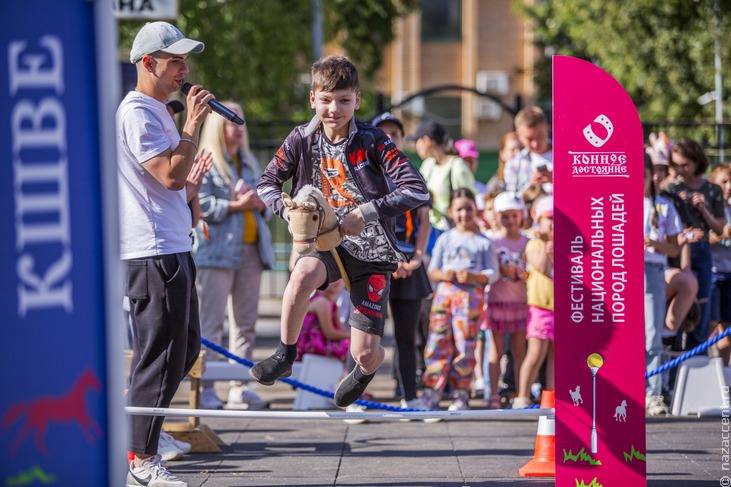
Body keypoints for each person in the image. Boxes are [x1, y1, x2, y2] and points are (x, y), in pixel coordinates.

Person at [251, 55, 430, 409]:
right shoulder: (300, 139)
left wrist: (366, 213)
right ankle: (285, 354)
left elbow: (417, 190)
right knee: (302, 272)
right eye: (327, 99)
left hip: (373, 254)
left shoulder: (374, 140)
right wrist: (286, 211)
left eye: (344, 100)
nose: (335, 109)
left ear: (357, 101)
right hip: (327, 243)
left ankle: (365, 372)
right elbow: (266, 183)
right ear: (313, 99)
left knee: (363, 351)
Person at [118, 21, 209, 487]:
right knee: (161, 355)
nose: (184, 70)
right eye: (175, 61)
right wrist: (192, 124)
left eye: (184, 61)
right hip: (154, 254)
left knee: (182, 349)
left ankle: (140, 441)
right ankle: (141, 456)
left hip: (171, 246)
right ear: (148, 63)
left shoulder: (153, 110)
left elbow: (173, 185)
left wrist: (191, 183)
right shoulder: (137, 111)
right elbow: (168, 175)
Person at [193, 102, 275, 410]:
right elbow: (200, 208)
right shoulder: (207, 161)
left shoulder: (250, 162)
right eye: (231, 121)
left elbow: (265, 209)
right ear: (217, 126)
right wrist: (236, 205)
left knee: (246, 323)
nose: (238, 127)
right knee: (211, 324)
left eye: (241, 121)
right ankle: (206, 389)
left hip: (251, 250)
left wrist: (260, 204)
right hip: (215, 253)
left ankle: (239, 387)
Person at [372, 112, 433, 409]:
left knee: (408, 337)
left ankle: (410, 396)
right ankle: (359, 397)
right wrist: (388, 258)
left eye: (395, 134)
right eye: (382, 133)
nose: (389, 139)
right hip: (373, 262)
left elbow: (425, 220)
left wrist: (418, 259)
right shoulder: (364, 173)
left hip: (409, 264)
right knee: (367, 333)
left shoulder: (411, 172)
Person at [420, 188, 498, 411]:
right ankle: (432, 391)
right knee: (437, 343)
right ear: (451, 212)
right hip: (444, 298)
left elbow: (493, 272)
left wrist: (475, 276)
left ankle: (460, 392)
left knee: (466, 346)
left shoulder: (484, 242)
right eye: (459, 209)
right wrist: (445, 274)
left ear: (476, 210)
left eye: (468, 208)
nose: (464, 214)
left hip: (470, 300)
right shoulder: (446, 239)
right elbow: (433, 270)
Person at [666, 138, 725, 350]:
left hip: (702, 251)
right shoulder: (672, 188)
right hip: (679, 251)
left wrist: (703, 210)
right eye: (677, 165)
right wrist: (678, 203)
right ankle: (675, 355)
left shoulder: (712, 190)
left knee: (702, 304)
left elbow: (719, 229)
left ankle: (696, 354)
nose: (681, 170)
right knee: (680, 307)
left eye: (685, 165)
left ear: (696, 161)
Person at [641, 154, 681, 415]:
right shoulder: (618, 204)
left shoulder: (664, 206)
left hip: (652, 268)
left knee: (653, 333)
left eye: (642, 175)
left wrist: (653, 243)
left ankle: (654, 393)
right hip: (622, 272)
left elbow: (674, 247)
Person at [483, 191, 530, 409]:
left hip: (522, 303)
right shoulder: (491, 241)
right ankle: (493, 394)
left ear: (521, 215)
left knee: (519, 352)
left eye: (514, 215)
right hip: (497, 302)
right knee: (496, 351)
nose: (510, 221)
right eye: (505, 216)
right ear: (497, 216)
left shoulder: (528, 242)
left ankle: (521, 394)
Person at [512, 195, 554, 409]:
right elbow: (544, 269)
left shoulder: (569, 244)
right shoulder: (534, 245)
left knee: (555, 358)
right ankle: (522, 395)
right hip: (540, 307)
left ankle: (552, 399)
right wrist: (548, 246)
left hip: (562, 308)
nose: (553, 223)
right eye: (549, 218)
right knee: (536, 353)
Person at [408, 119, 475, 233]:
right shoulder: (428, 165)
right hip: (427, 232)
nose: (416, 147)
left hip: (451, 233)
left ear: (427, 141)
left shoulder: (457, 166)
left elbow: (468, 203)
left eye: (417, 142)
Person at [709, 163, 731, 364]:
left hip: (729, 273)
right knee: (711, 324)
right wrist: (721, 234)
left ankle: (724, 380)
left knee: (727, 328)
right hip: (713, 273)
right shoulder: (707, 210)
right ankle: (703, 367)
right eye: (724, 181)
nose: (729, 186)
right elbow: (701, 240)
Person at [297, 280, 351, 361]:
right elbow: (330, 333)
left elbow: (341, 329)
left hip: (321, 345)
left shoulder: (333, 303)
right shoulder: (321, 302)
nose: (337, 280)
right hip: (312, 347)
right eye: (332, 276)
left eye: (340, 277)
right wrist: (353, 336)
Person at [504, 106, 553, 196]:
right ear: (518, 135)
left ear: (547, 128)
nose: (535, 143)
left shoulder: (566, 156)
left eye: (540, 136)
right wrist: (530, 188)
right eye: (529, 139)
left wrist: (560, 182)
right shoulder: (514, 164)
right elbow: (512, 202)